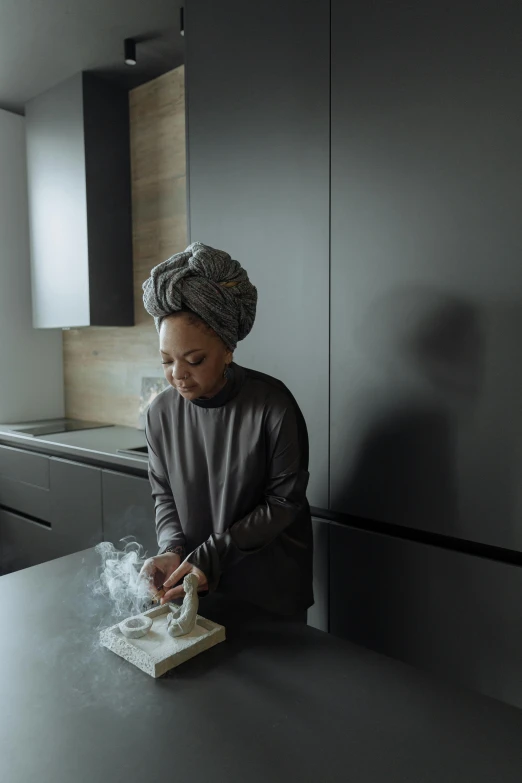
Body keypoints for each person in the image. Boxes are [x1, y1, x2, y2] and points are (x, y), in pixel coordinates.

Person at [139, 241, 313, 617]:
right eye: (166, 360)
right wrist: (171, 549)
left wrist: (211, 556)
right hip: (195, 585)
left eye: (195, 360)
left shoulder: (272, 405)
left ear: (228, 349)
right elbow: (164, 494)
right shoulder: (160, 414)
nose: (178, 375)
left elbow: (284, 502)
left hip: (269, 589)